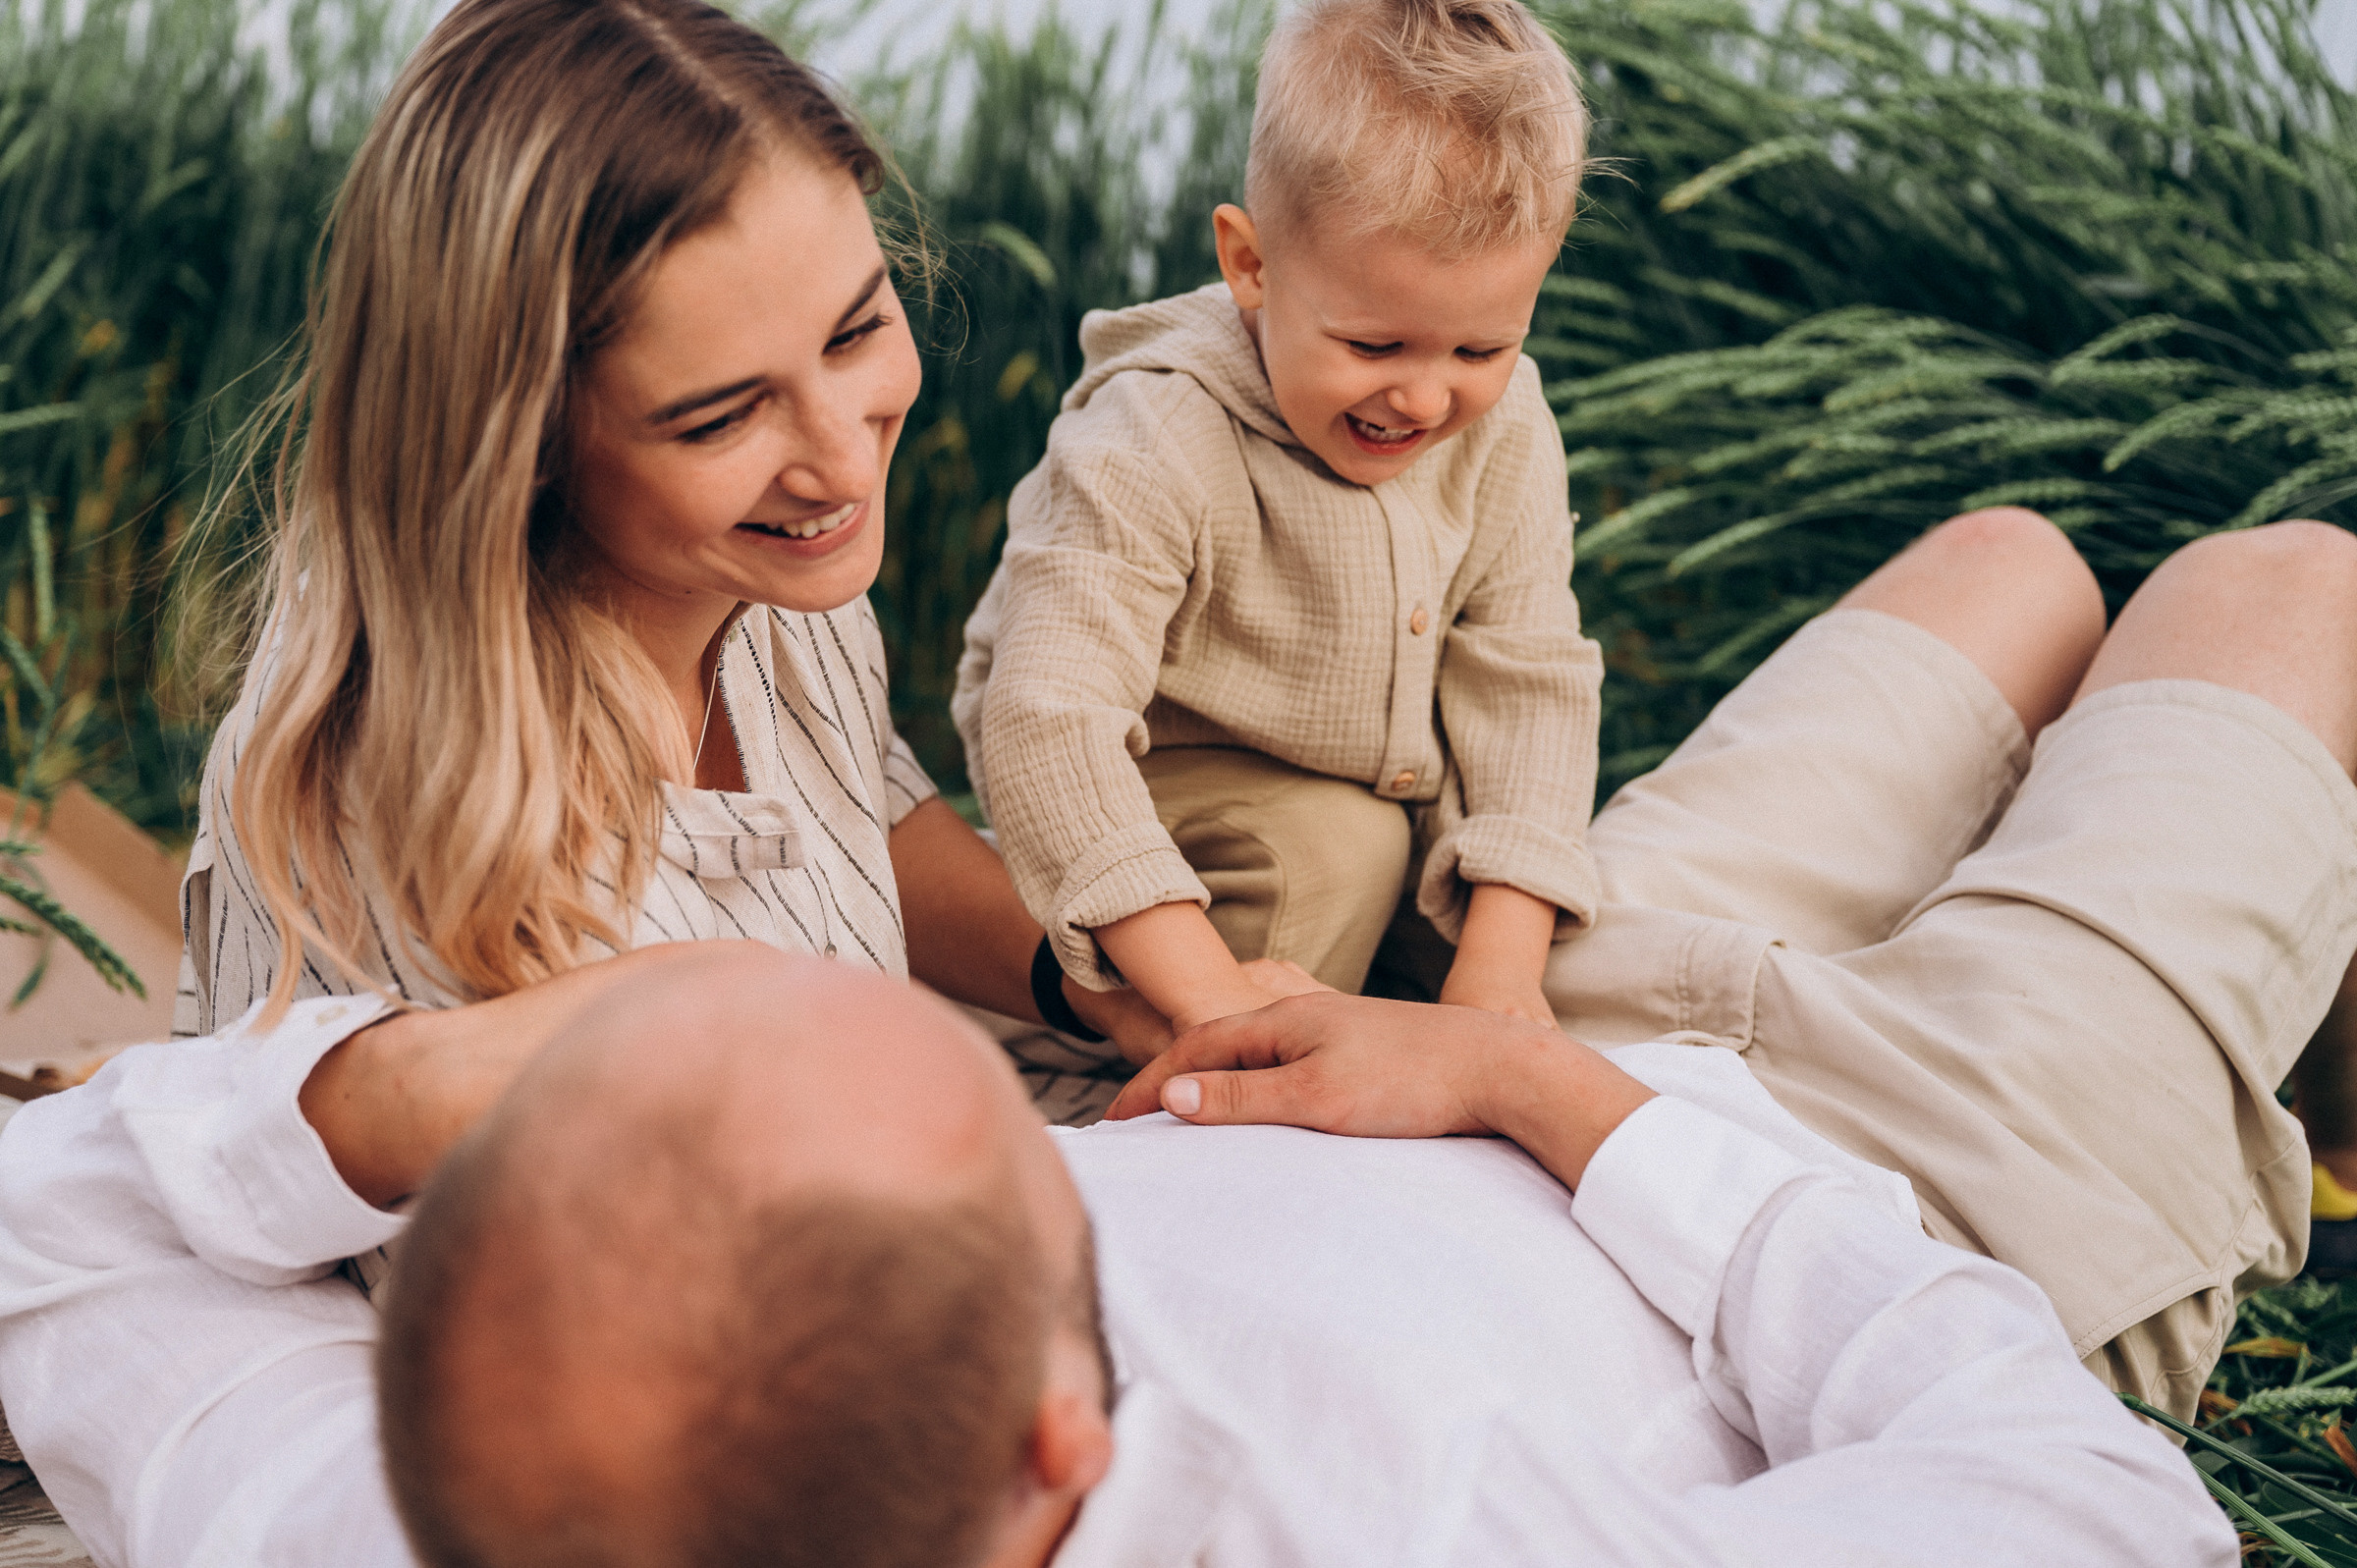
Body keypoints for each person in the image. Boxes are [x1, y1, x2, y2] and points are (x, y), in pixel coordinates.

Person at [0, 945, 2231, 1567]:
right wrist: (1545, 1094)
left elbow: (39, 1245)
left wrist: (402, 1086)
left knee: (1990, 567)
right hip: (1907, 1162)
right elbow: (2113, 1515)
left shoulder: (387, 1524)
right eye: (1038, 1154)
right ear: (1071, 1422)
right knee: (2271, 598)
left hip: (1491, 1003)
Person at [167, 0, 1188, 1063]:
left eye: (857, 331)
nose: (842, 464)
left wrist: (1084, 988)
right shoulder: (413, 800)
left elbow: (864, 805)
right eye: (720, 417)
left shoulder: (765, 568)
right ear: (520, 441)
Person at [955, 0, 1604, 1034]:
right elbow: (1049, 717)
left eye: (1479, 350)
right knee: (1336, 855)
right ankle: (1189, 1062)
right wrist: (1211, 1004)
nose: (1427, 401)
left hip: (1393, 786)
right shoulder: (1156, 431)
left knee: (1544, 926)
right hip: (1164, 787)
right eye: (1375, 347)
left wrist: (1501, 972)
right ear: (1250, 265)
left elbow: (1531, 683)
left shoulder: (1508, 423)